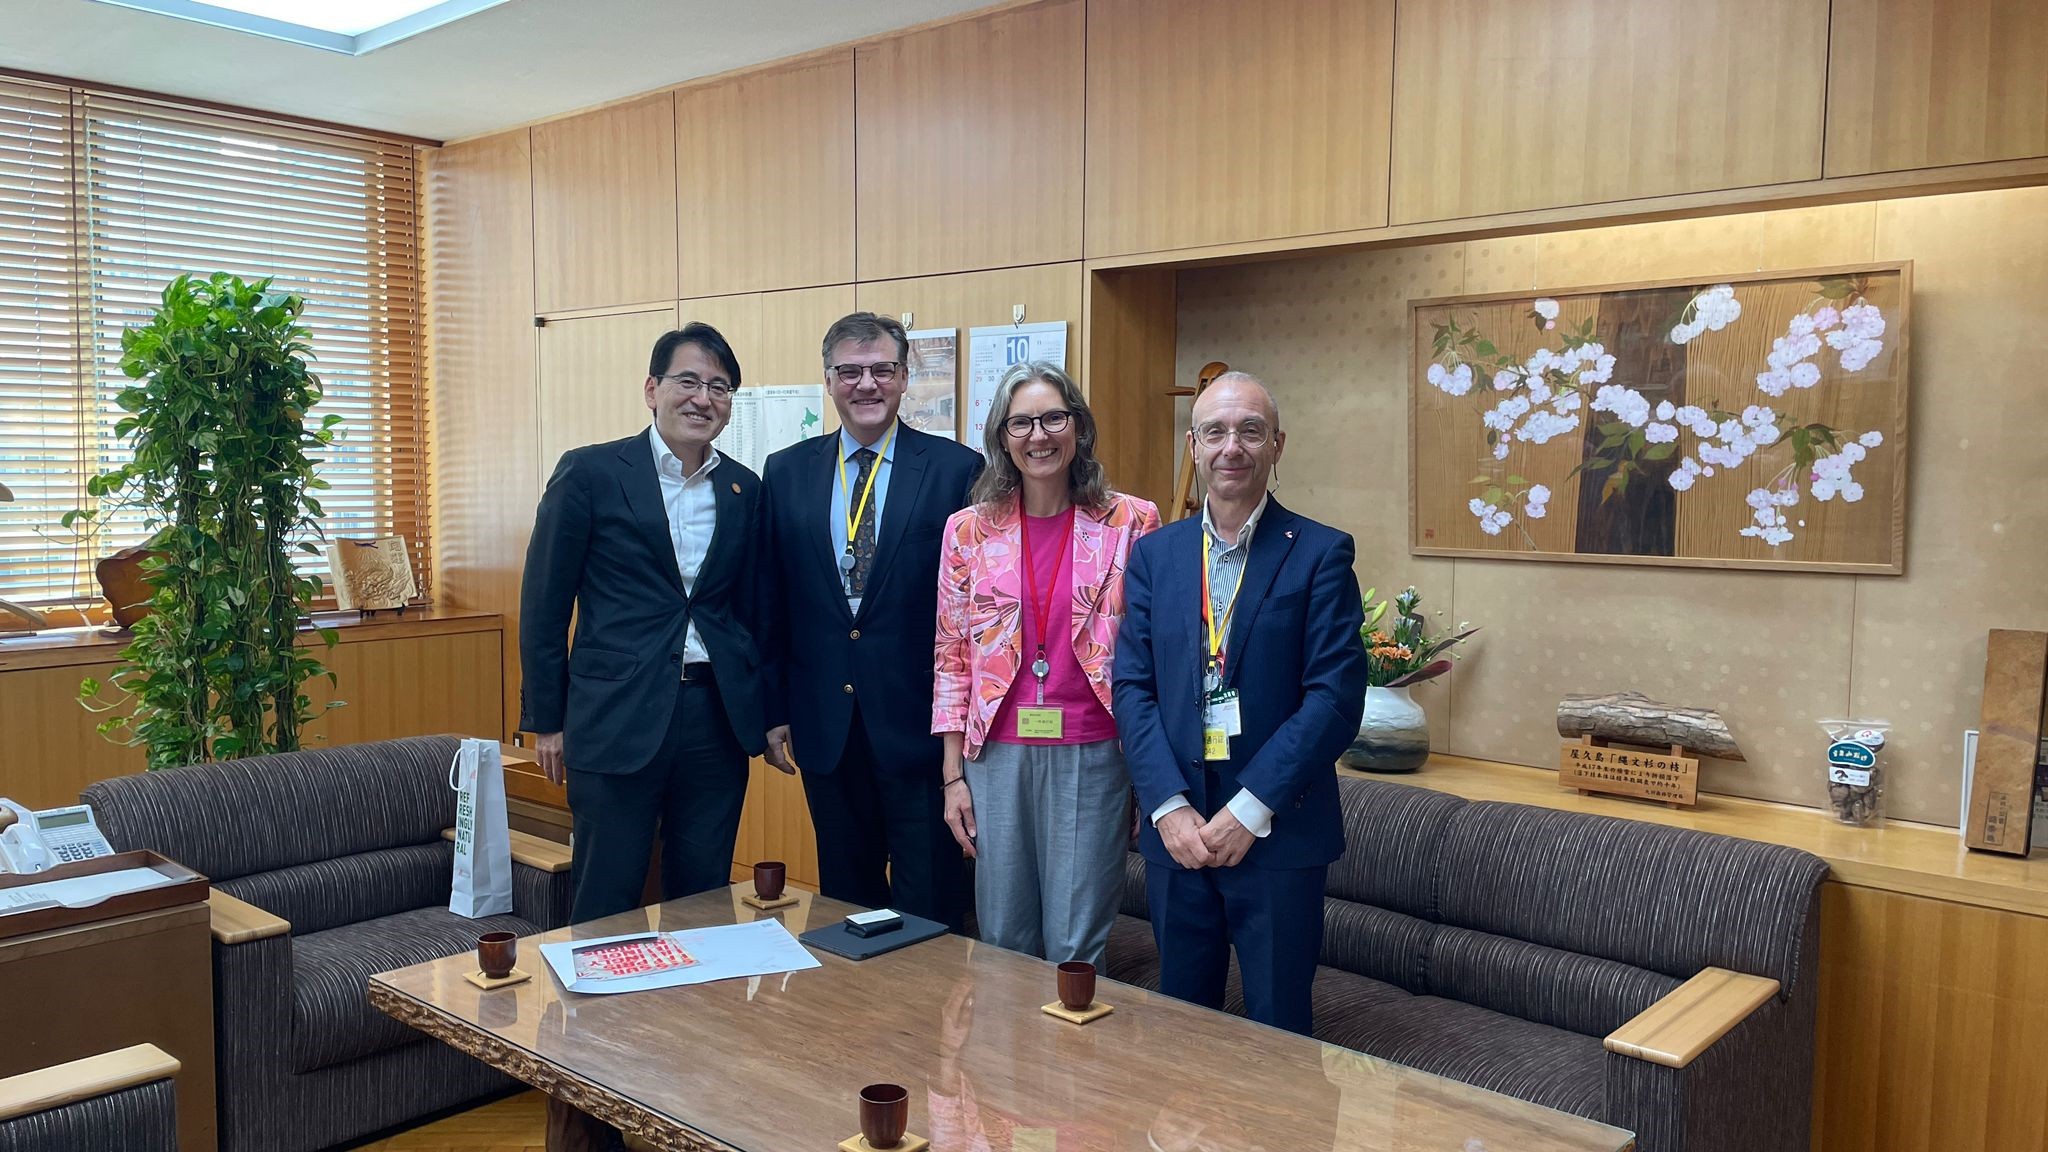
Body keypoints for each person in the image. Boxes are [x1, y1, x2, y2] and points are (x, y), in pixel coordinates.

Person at [1111, 370, 1367, 1035]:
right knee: (1182, 1029)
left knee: (1278, 1033)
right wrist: (1166, 809)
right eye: (1216, 432)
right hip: (1179, 836)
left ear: (1277, 445)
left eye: (1250, 431)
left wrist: (1248, 811)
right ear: (1193, 447)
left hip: (1278, 836)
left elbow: (1334, 698)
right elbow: (1132, 689)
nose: (1233, 447)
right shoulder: (1155, 557)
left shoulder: (1320, 554)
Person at [518, 323, 767, 925]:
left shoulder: (743, 489)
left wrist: (768, 708)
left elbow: (752, 611)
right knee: (607, 894)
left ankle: (691, 1016)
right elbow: (544, 604)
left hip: (714, 716)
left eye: (719, 387)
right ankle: (595, 1018)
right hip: (614, 716)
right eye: (688, 381)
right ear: (652, 389)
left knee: (703, 896)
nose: (702, 398)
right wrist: (547, 720)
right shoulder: (590, 474)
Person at [759, 312, 982, 928]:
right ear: (828, 380)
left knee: (930, 904)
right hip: (826, 726)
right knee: (843, 900)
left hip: (918, 728)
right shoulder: (786, 472)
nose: (867, 385)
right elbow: (772, 599)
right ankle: (856, 1026)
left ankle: (931, 1024)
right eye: (850, 372)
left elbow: (971, 614)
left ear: (905, 377)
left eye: (882, 370)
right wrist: (774, 708)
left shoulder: (955, 470)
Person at [933, 361, 1159, 965]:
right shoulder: (968, 532)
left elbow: (1151, 654)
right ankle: (1006, 1062)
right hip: (996, 755)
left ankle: (1075, 1060)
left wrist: (1150, 773)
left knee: (1076, 944)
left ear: (1079, 428)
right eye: (1021, 423)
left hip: (1095, 751)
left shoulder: (1132, 523)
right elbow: (952, 656)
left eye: (1054, 418)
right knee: (1003, 938)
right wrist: (953, 776)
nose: (1040, 436)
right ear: (1002, 438)